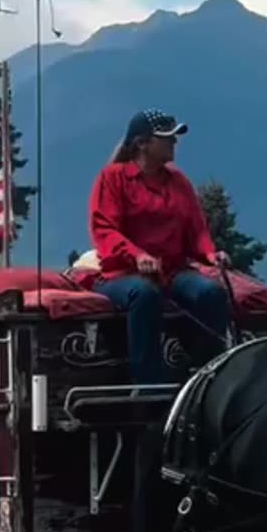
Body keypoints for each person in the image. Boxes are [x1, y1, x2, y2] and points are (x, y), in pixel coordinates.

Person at [88, 108, 232, 386]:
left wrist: (210, 254)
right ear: (142, 143)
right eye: (166, 137)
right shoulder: (112, 178)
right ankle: (148, 384)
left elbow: (197, 230)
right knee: (144, 294)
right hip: (121, 276)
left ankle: (206, 378)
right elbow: (105, 229)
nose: (174, 143)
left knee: (212, 293)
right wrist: (136, 256)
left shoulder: (179, 182)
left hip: (173, 271)